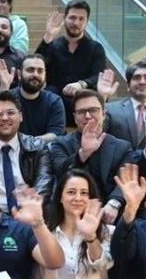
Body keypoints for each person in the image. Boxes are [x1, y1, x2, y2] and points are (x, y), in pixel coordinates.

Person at [50, 90, 131, 221]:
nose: (87, 116)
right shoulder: (61, 143)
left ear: (103, 114)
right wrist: (83, 153)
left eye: (93, 110)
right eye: (81, 112)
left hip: (110, 215)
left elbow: (126, 179)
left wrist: (114, 203)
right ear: (75, 117)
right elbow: (60, 172)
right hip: (71, 215)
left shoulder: (122, 147)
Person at [37, 1, 108, 119]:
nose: (76, 23)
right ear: (65, 18)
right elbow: (36, 65)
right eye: (72, 18)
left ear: (87, 22)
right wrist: (48, 36)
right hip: (57, 104)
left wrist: (82, 84)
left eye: (81, 19)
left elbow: (98, 75)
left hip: (85, 103)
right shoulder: (53, 45)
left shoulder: (96, 48)